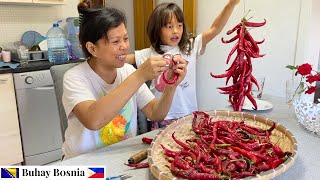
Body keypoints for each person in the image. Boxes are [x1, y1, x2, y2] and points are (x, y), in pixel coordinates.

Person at [61, 6, 187, 160]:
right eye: (116, 41)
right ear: (92, 48)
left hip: (121, 159)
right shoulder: (75, 77)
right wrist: (140, 75)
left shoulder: (127, 71)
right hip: (83, 164)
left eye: (126, 39)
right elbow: (93, 120)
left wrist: (171, 86)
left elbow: (156, 113)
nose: (125, 47)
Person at [126, 0, 240, 129]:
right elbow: (122, 60)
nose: (176, 31)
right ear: (157, 30)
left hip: (188, 114)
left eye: (179, 25)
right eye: (169, 27)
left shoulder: (190, 47)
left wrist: (230, 5)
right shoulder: (149, 53)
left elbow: (215, 29)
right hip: (161, 117)